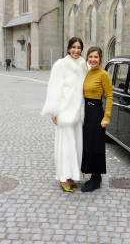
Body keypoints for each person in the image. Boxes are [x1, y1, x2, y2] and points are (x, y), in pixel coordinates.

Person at [40, 37, 88, 193]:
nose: (76, 50)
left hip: (78, 113)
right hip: (64, 111)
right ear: (68, 49)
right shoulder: (61, 65)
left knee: (76, 147)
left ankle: (71, 176)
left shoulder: (84, 65)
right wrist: (54, 110)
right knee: (64, 147)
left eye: (79, 47)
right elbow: (54, 88)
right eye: (73, 47)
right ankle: (62, 177)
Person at [81, 46, 113, 192]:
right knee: (87, 144)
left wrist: (106, 117)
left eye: (96, 57)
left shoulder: (103, 74)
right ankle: (93, 175)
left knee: (95, 145)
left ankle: (96, 178)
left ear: (100, 59)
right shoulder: (86, 73)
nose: (93, 59)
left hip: (96, 112)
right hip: (86, 112)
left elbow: (110, 96)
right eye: (90, 57)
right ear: (87, 58)